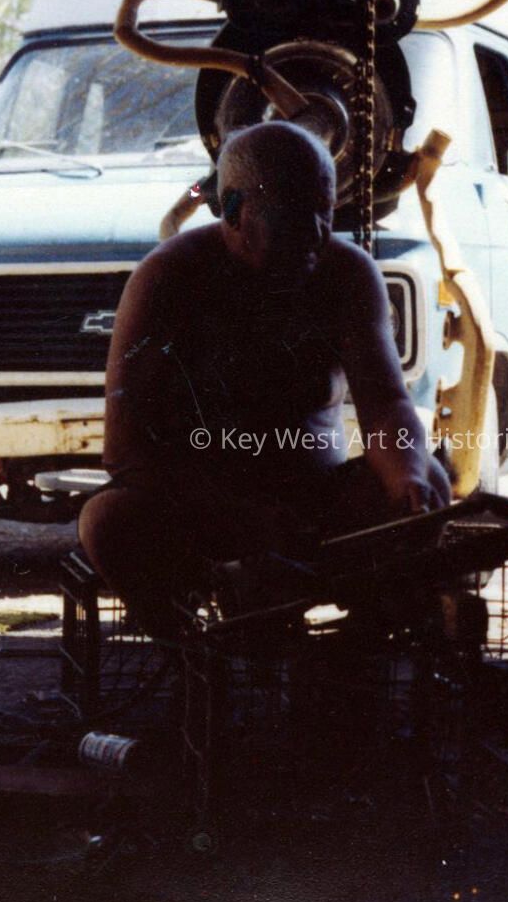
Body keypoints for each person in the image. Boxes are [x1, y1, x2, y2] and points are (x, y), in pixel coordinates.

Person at [78, 121, 451, 635]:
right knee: (108, 520)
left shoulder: (347, 273)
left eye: (324, 213)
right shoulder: (168, 276)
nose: (316, 233)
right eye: (293, 216)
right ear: (232, 210)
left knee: (427, 479)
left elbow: (386, 403)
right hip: (203, 512)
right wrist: (244, 519)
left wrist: (405, 475)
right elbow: (126, 451)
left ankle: (357, 650)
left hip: (316, 508)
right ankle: (193, 653)